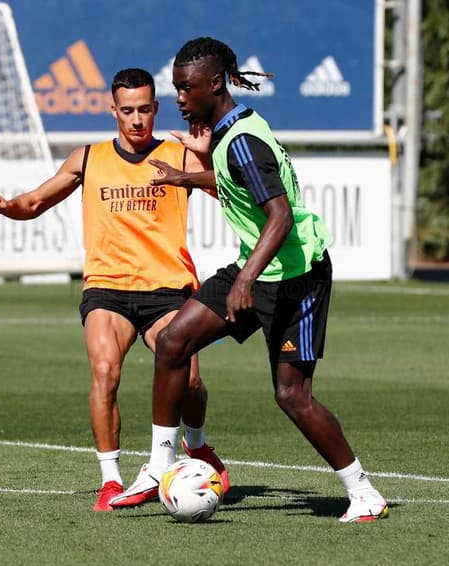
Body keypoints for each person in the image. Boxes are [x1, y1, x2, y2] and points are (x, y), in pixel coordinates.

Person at [109, 39, 388, 523]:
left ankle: (363, 492)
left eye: (185, 87)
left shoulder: (240, 142)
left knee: (291, 396)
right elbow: (242, 191)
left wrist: (245, 282)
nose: (178, 97)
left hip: (296, 278)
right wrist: (189, 178)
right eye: (175, 87)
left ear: (214, 84)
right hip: (258, 268)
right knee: (174, 341)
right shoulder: (230, 131)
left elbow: (278, 216)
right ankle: (160, 463)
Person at [0, 68, 229, 512]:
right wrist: (6, 207)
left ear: (156, 107)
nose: (137, 120)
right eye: (128, 110)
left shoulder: (179, 155)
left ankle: (196, 443)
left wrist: (207, 159)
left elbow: (229, 191)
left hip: (168, 289)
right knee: (105, 372)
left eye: (145, 109)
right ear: (113, 109)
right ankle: (111, 480)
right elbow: (35, 202)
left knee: (190, 382)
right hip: (107, 289)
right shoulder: (89, 158)